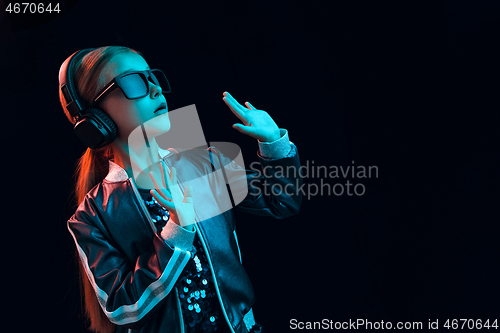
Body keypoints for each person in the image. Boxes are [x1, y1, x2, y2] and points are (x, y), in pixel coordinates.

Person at [60, 46, 302, 333]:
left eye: (153, 77)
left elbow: (281, 201)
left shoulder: (206, 163)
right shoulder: (91, 217)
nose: (155, 90)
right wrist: (177, 231)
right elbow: (123, 308)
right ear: (94, 120)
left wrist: (274, 142)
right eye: (134, 81)